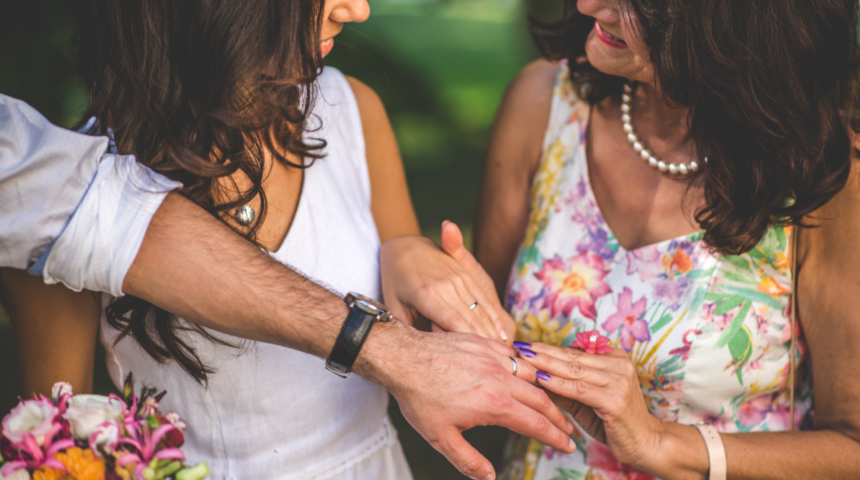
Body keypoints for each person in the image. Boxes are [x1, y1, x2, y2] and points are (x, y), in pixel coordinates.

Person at [0, 3, 578, 480]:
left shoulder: (353, 111)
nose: (357, 10)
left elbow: (418, 348)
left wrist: (411, 253)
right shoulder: (55, 208)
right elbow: (58, 447)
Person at [473, 0, 860, 478]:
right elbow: (478, 346)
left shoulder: (820, 173)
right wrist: (413, 266)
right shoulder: (545, 105)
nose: (588, 5)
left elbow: (852, 445)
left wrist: (660, 442)